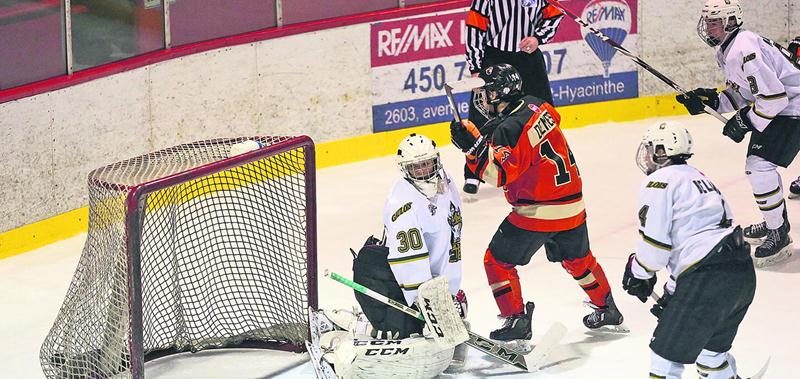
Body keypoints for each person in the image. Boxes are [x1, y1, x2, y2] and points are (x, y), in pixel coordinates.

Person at [450, 63, 624, 344]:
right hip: (573, 203)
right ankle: (607, 308)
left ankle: (516, 319)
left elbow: (499, 175)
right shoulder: (537, 105)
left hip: (539, 209)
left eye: (485, 92)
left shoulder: (509, 129)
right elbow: (542, 126)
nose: (481, 97)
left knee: (497, 261)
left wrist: (474, 150)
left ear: (498, 94)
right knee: (579, 260)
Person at [312, 133, 469, 377]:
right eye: (415, 167)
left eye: (426, 164)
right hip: (389, 274)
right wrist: (424, 301)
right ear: (405, 170)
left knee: (433, 320)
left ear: (436, 161)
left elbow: (452, 242)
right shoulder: (402, 202)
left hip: (418, 274)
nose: (423, 171)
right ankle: (346, 323)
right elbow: (410, 259)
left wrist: (449, 292)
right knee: (402, 332)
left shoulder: (446, 183)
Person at [622, 121, 756, 379]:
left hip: (706, 277)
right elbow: (702, 238)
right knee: (710, 354)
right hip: (741, 274)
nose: (647, 155)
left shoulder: (658, 182)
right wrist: (674, 290)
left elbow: (655, 250)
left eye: (651, 148)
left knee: (664, 360)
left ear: (662, 152)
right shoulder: (700, 178)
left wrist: (638, 273)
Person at [676, 0, 799, 265]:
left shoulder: (744, 49)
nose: (708, 28)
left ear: (730, 21)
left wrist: (745, 122)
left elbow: (774, 98)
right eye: (707, 21)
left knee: (759, 167)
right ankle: (774, 224)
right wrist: (711, 101)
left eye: (714, 22)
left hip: (794, 107)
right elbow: (745, 94)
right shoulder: (730, 47)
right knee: (757, 167)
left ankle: (777, 231)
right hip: (786, 106)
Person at [461, 0, 564, 195]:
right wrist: (475, 68)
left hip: (528, 56)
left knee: (543, 110)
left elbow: (555, 13)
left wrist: (538, 38)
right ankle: (474, 173)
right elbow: (475, 27)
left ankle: (552, 160)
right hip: (494, 56)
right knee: (482, 110)